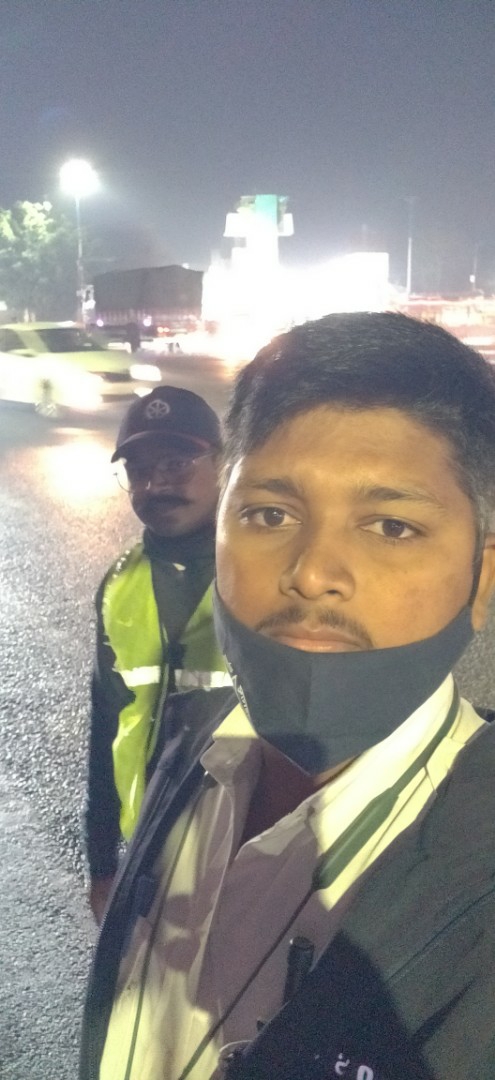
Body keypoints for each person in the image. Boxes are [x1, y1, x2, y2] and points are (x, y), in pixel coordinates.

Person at [80, 313, 495, 1080]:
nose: (311, 572)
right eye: (268, 514)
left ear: (480, 578)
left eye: (390, 526)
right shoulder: (196, 747)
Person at [85, 384, 229, 925]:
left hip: (242, 852)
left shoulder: (265, 573)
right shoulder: (119, 585)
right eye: (139, 470)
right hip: (145, 848)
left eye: (176, 463)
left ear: (222, 463)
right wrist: (102, 863)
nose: (155, 484)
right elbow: (107, 724)